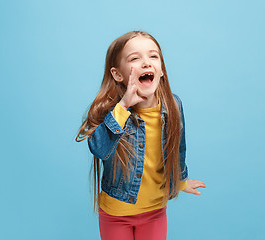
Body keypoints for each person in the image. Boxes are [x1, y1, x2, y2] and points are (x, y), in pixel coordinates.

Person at [76, 30, 206, 240]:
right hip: (116, 212)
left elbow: (178, 146)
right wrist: (124, 105)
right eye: (135, 58)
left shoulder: (173, 104)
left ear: (161, 70)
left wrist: (181, 180)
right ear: (118, 74)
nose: (146, 62)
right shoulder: (112, 111)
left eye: (153, 56)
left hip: (155, 210)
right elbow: (99, 149)